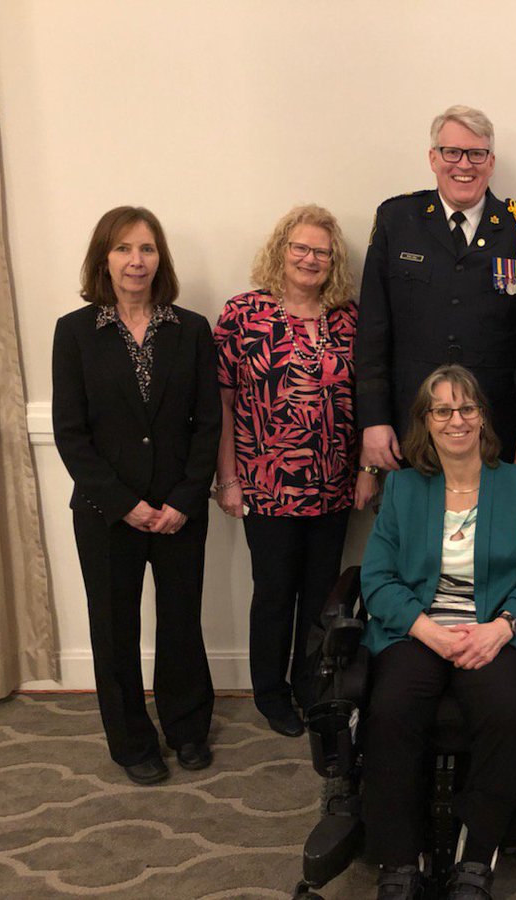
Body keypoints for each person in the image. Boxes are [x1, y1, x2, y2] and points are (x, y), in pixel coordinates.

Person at [360, 365, 516, 900]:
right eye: (442, 410)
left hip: (493, 632)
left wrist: (500, 628)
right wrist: (430, 632)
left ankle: (476, 857)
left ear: (482, 417)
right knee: (392, 710)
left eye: (467, 408)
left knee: (505, 714)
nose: (456, 420)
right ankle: (401, 860)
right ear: (426, 421)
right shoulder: (402, 487)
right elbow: (375, 579)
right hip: (419, 631)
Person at [52, 206, 220, 785]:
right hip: (106, 514)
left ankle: (188, 728)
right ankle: (131, 742)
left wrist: (183, 499)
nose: (136, 260)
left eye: (146, 248)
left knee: (180, 621)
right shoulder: (74, 332)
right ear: (105, 257)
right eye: (124, 248)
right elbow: (70, 433)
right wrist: (124, 502)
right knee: (114, 628)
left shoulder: (191, 328)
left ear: (159, 259)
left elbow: (208, 424)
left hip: (180, 510)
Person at [213, 204, 369, 737]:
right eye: (299, 248)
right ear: (281, 250)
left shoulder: (349, 317)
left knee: (322, 591)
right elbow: (224, 404)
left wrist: (368, 469)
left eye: (321, 252)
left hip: (333, 483)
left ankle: (311, 684)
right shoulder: (242, 314)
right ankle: (271, 693)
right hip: (266, 484)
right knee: (275, 590)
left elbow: (366, 399)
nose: (309, 258)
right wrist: (228, 480)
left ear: (334, 261)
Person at [355, 105, 516, 473]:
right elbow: (372, 328)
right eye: (452, 152)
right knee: (414, 527)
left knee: (494, 528)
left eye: (476, 154)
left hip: (497, 422)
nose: (465, 165)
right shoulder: (397, 220)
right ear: (433, 158)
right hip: (412, 421)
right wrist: (373, 418)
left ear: (491, 162)